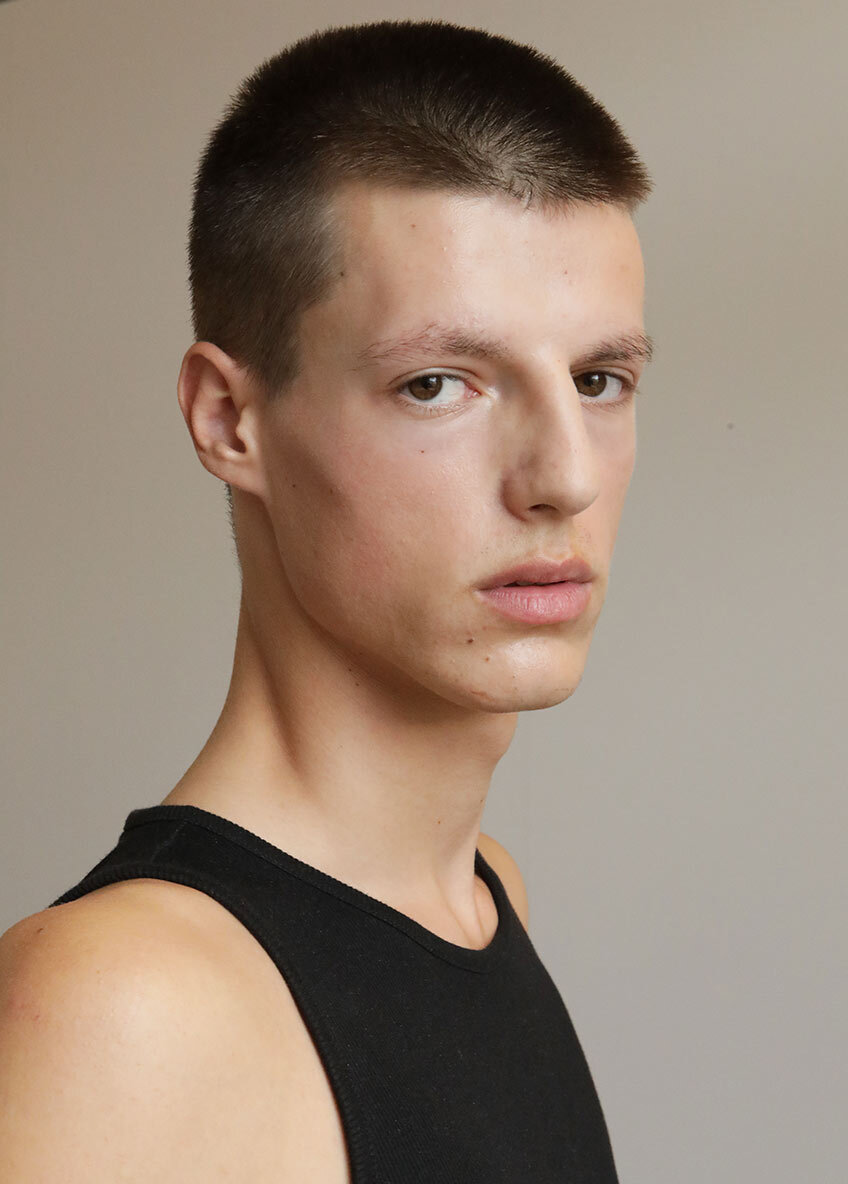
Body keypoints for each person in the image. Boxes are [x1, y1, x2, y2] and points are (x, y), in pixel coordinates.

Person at [0, 18, 653, 1182]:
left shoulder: (481, 894)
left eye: (598, 378)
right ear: (228, 420)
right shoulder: (125, 1008)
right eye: (436, 384)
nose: (563, 476)